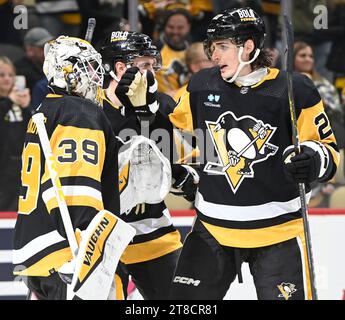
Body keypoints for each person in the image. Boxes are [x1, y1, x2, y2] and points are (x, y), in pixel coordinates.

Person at [116, 7, 340, 300]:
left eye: (222, 46)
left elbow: (329, 153)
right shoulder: (201, 85)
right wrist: (144, 108)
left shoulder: (294, 89)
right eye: (212, 47)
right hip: (213, 229)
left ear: (248, 46)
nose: (214, 55)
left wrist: (311, 159)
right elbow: (169, 130)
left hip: (280, 232)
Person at [12, 36, 127, 300]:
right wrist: (89, 252)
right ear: (67, 71)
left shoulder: (46, 108)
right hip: (68, 255)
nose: (95, 77)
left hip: (37, 255)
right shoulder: (79, 112)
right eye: (87, 68)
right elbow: (74, 189)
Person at [100, 30, 199, 300]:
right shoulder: (89, 109)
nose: (152, 72)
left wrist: (147, 113)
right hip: (102, 237)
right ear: (121, 68)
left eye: (153, 65)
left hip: (153, 231)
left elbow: (167, 157)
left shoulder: (162, 103)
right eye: (144, 66)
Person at [0, 56, 31, 211]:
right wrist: (8, 102)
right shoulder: (7, 103)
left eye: (10, 75)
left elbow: (32, 129)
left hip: (19, 168)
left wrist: (26, 108)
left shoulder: (18, 102)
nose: (7, 79)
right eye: (2, 75)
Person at [15, 27, 53, 93]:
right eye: (42, 47)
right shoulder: (20, 70)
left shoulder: (53, 64)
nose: (48, 51)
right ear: (29, 49)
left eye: (50, 46)